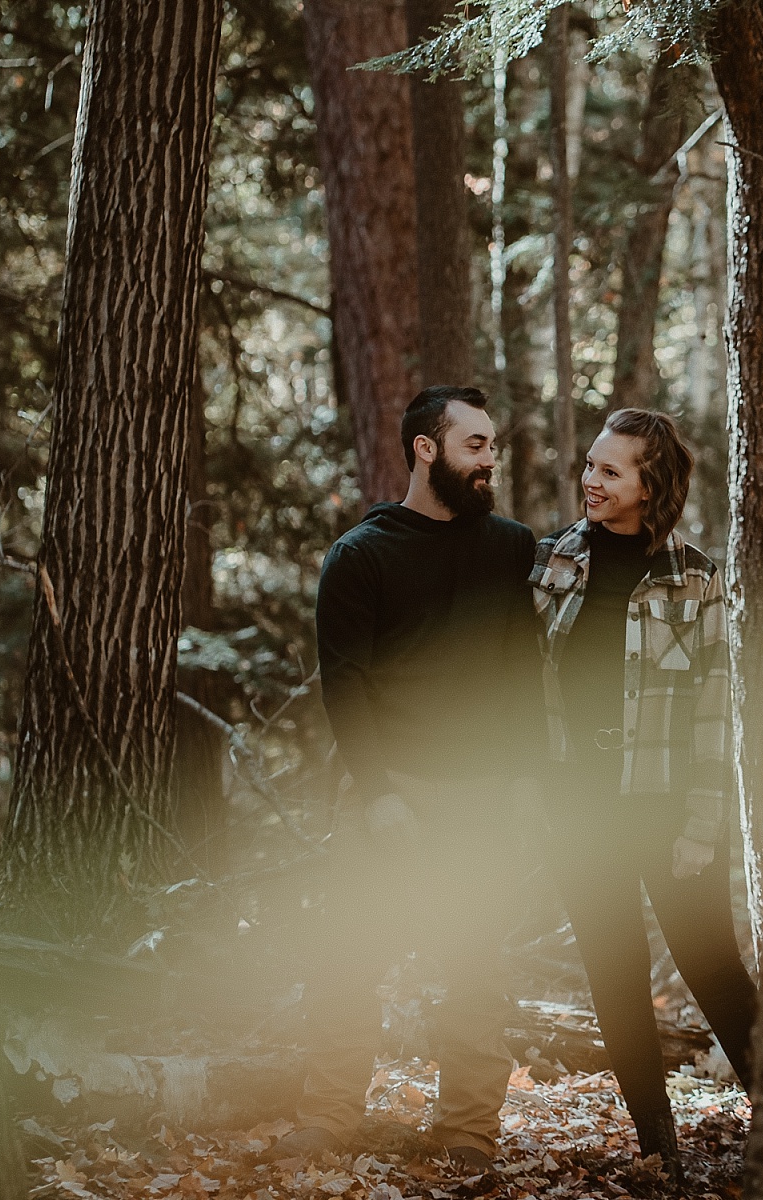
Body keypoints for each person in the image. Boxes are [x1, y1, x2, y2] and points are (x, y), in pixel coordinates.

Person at [284, 385, 543, 1172]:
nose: (489, 460)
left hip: (480, 799)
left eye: (492, 446)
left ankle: (468, 1131)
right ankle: (329, 1115)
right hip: (384, 793)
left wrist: (526, 780)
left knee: (475, 969)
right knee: (351, 962)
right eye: (475, 446)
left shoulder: (509, 547)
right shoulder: (360, 555)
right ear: (426, 449)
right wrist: (380, 794)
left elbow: (522, 673)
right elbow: (345, 686)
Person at [528, 407, 757, 1180]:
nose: (590, 481)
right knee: (614, 972)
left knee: (713, 969)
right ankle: (659, 1150)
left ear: (649, 485)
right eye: (589, 466)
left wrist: (701, 822)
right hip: (578, 807)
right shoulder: (551, 564)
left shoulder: (695, 577)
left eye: (610, 471)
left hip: (668, 808)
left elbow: (714, 711)